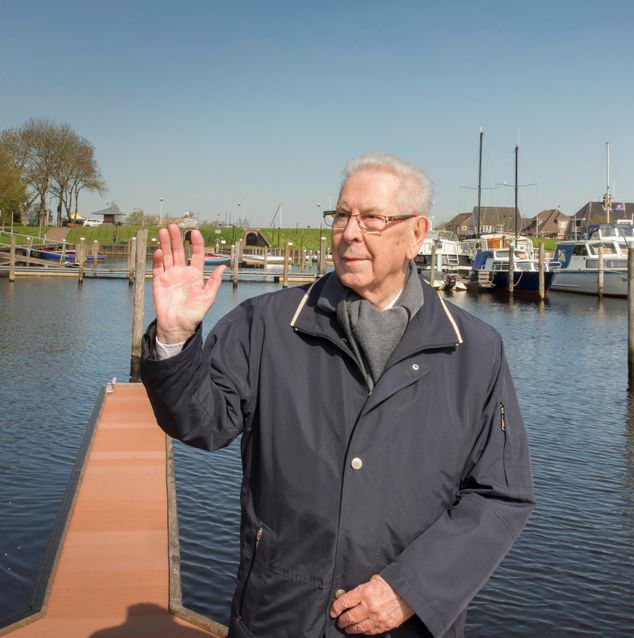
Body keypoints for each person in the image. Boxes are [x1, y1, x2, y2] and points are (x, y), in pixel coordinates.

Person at [140, 154, 535, 637]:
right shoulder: (266, 324)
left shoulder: (474, 350)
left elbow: (500, 495)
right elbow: (200, 422)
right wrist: (175, 340)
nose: (350, 232)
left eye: (372, 218)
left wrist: (412, 589)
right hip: (281, 615)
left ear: (417, 234)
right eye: (341, 215)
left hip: (404, 627)